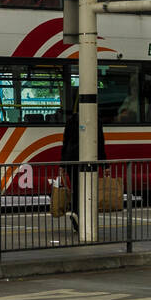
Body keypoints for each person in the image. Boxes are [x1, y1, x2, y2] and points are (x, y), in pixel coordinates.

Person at [61, 98, 107, 232]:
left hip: (72, 161)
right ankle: (84, 219)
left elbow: (65, 143)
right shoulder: (96, 121)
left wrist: (62, 165)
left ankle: (76, 215)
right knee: (88, 190)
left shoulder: (71, 120)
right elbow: (100, 143)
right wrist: (105, 165)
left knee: (76, 189)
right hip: (88, 161)